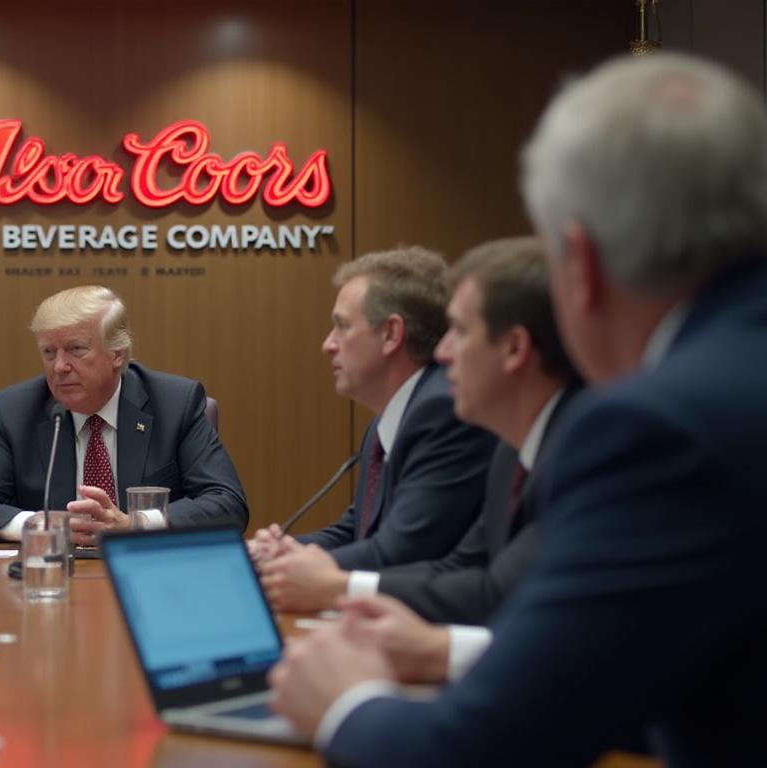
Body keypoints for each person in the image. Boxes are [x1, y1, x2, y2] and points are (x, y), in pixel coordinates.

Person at [269, 53, 767, 767]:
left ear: (580, 265)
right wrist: (443, 649)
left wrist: (345, 702)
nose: (444, 355)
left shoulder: (660, 429)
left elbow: (479, 749)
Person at [259, 237, 579, 623]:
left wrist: (328, 582)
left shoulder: (578, 448)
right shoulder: (510, 451)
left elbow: (414, 557)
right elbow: (458, 566)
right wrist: (289, 556)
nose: (443, 352)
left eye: (460, 331)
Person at [250, 248, 496, 570]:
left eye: (342, 326)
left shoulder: (443, 412)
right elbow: (356, 530)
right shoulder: (388, 421)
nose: (328, 344)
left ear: (391, 333)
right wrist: (280, 550)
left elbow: (401, 552)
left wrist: (288, 565)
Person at [0, 285, 248, 542]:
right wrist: (41, 525)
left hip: (147, 568)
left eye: (76, 349)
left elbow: (227, 503)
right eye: (49, 352)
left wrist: (135, 524)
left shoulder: (174, 404)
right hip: (57, 572)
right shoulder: (18, 410)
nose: (59, 367)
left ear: (117, 354)